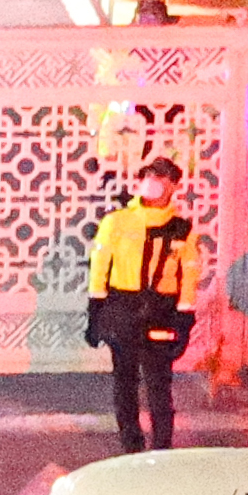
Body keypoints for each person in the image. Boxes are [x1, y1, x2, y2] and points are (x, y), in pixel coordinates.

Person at [85, 157, 197, 453]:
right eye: (148, 175)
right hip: (123, 307)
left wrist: (184, 318)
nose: (153, 182)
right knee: (125, 383)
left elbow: (189, 274)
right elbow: (100, 265)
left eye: (161, 177)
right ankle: (131, 447)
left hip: (161, 311)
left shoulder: (181, 228)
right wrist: (95, 309)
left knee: (159, 384)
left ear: (174, 185)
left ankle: (162, 448)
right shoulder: (117, 221)